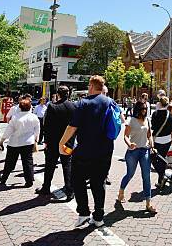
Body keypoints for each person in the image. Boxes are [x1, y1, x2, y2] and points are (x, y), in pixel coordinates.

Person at [58, 75, 114, 228]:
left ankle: (83, 213)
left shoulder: (83, 103)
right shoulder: (110, 102)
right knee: (99, 182)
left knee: (77, 180)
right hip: (105, 151)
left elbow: (72, 127)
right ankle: (98, 217)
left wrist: (62, 143)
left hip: (85, 150)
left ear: (91, 86)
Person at [36, 86, 75, 200]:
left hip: (53, 142)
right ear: (69, 94)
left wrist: (46, 141)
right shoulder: (74, 106)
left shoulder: (52, 106)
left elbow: (46, 126)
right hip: (67, 142)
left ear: (58, 94)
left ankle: (46, 187)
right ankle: (69, 190)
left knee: (50, 165)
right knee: (67, 166)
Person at [117, 101, 157, 212]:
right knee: (130, 174)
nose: (144, 111)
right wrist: (129, 144)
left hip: (145, 151)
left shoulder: (147, 120)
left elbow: (149, 135)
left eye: (145, 109)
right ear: (137, 109)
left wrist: (151, 143)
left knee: (146, 176)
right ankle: (121, 192)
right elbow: (125, 136)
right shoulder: (131, 121)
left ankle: (148, 203)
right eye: (142, 109)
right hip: (133, 152)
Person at [0, 97, 40, 188]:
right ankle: (29, 180)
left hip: (14, 142)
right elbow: (37, 131)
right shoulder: (34, 117)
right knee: (28, 162)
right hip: (28, 142)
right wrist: (36, 141)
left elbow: (8, 131)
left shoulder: (15, 117)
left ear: (20, 107)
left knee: (10, 162)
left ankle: (4, 178)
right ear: (30, 107)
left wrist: (2, 141)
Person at [151, 97, 172, 187]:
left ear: (160, 103)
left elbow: (153, 127)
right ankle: (160, 180)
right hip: (167, 140)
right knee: (163, 159)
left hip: (158, 140)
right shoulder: (170, 115)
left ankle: (162, 176)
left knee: (154, 159)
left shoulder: (155, 114)